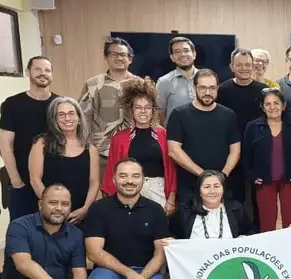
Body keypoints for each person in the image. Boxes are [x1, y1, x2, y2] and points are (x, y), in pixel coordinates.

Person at [85, 158, 172, 279]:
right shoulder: (98, 209)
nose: (130, 181)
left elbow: (160, 253)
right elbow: (94, 252)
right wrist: (129, 274)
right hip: (109, 270)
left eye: (135, 176)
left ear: (143, 179)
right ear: (114, 179)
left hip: (145, 270)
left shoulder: (155, 209)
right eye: (123, 176)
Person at [101, 78, 176, 213]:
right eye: (138, 107)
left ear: (153, 110)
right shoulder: (119, 138)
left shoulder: (163, 135)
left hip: (157, 189)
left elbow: (172, 169)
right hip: (128, 188)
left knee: (157, 224)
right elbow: (111, 170)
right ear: (131, 110)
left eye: (147, 107)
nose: (143, 111)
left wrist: (171, 199)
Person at [167, 69, 241, 203]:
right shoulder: (179, 114)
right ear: (194, 88)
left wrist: (222, 176)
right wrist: (203, 175)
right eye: (203, 88)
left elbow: (235, 150)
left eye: (212, 88)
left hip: (222, 186)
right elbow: (173, 151)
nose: (207, 92)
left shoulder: (229, 115)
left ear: (217, 88)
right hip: (190, 188)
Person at [0, 56, 57, 219]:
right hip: (22, 182)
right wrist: (16, 182)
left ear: (52, 75)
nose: (43, 73)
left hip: (54, 182)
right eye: (38, 69)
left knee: (54, 229)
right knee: (22, 230)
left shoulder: (59, 104)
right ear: (28, 72)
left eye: (47, 70)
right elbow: (4, 144)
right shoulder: (12, 104)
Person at [243, 88, 291, 232]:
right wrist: (252, 176)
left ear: (283, 106)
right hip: (264, 181)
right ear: (262, 107)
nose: (272, 107)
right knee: (267, 223)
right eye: (268, 104)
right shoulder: (253, 127)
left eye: (276, 103)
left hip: (290, 180)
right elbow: (246, 155)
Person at [29, 97, 99, 226]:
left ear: (79, 118)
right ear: (54, 119)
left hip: (80, 216)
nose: (67, 118)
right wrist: (54, 207)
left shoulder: (91, 149)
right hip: (50, 215)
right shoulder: (41, 144)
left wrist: (85, 209)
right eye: (61, 114)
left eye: (71, 113)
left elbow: (94, 183)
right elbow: (35, 179)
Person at [79, 37, 140, 175]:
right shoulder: (93, 84)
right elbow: (85, 118)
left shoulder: (140, 84)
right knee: (105, 188)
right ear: (106, 57)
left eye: (123, 54)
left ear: (130, 59)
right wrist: (85, 147)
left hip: (135, 150)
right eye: (114, 54)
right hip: (103, 152)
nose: (119, 58)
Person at [217, 49, 267, 207]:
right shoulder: (221, 91)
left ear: (253, 66)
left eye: (248, 65)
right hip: (230, 150)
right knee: (234, 197)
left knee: (259, 198)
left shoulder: (263, 90)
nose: (244, 68)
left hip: (258, 151)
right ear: (231, 66)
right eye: (239, 65)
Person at [168, 170, 254, 240]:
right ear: (199, 192)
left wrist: (245, 237)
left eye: (216, 186)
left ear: (223, 190)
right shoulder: (186, 211)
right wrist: (171, 240)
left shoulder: (236, 208)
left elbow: (250, 231)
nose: (212, 191)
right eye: (207, 187)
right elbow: (172, 234)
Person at [155, 36, 198, 123]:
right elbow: (159, 114)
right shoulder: (163, 82)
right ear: (172, 57)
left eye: (186, 50)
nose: (182, 54)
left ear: (194, 54)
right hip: (174, 131)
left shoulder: (207, 79)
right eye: (177, 52)